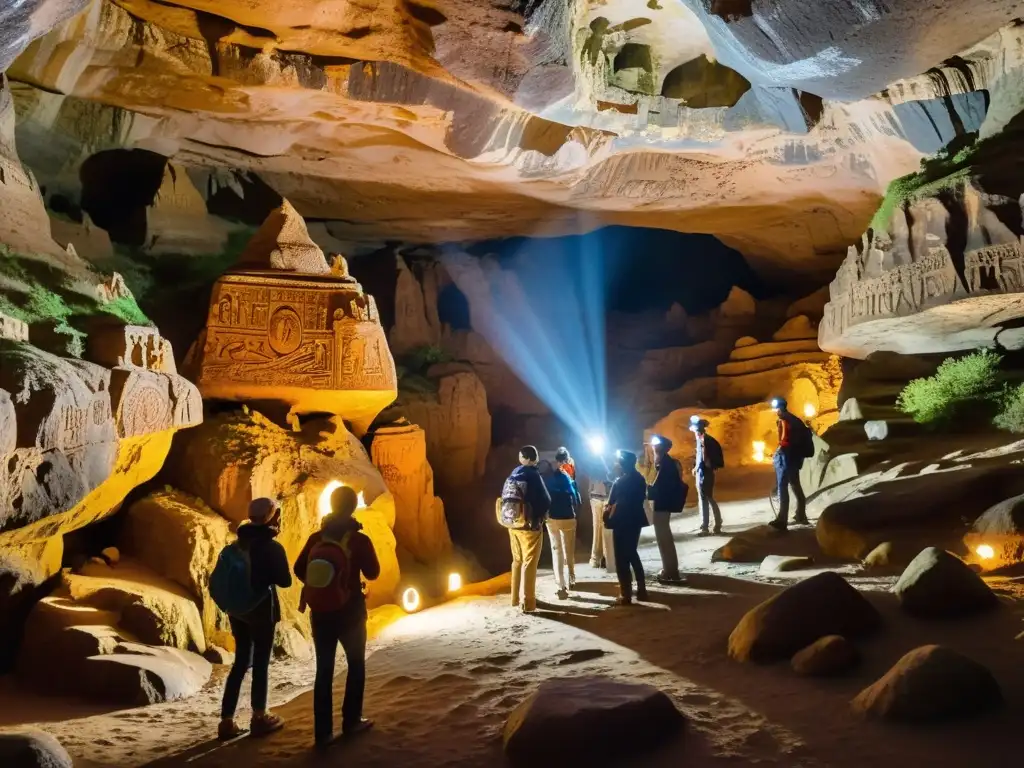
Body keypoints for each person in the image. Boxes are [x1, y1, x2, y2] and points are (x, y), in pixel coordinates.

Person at [294, 485, 380, 748]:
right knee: (355, 665)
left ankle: (323, 733)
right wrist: (347, 582)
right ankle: (352, 721)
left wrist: (323, 584)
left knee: (324, 671)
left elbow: (299, 569)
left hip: (321, 614)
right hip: (351, 612)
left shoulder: (316, 539)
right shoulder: (359, 540)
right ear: (353, 507)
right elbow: (374, 572)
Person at [219, 498, 292, 740]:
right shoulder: (271, 547)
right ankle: (259, 716)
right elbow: (285, 580)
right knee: (260, 662)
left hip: (237, 611)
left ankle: (226, 721)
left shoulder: (236, 546)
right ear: (270, 517)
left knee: (240, 662)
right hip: (261, 609)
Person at [503, 446, 551, 613]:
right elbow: (545, 499)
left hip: (512, 524)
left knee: (517, 561)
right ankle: (528, 602)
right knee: (529, 562)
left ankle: (514, 598)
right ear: (534, 458)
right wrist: (540, 517)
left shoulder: (514, 473)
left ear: (522, 458)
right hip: (529, 525)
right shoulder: (533, 474)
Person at [604, 450, 649, 604]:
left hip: (621, 521)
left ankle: (626, 593)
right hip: (635, 520)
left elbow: (610, 503)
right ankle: (642, 589)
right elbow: (642, 497)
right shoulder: (640, 479)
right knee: (632, 554)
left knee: (621, 558)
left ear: (622, 464)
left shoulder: (619, 482)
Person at [646, 435, 686, 582]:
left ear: (661, 448)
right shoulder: (663, 463)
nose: (653, 447)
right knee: (664, 537)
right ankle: (669, 569)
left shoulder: (665, 464)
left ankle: (670, 571)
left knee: (664, 538)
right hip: (662, 504)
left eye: (655, 445)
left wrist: (646, 489)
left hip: (662, 505)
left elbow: (661, 487)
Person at [544, 453, 582, 599]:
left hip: (553, 518)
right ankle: (572, 577)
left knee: (557, 551)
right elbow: (576, 498)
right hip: (568, 517)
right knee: (569, 549)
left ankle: (560, 585)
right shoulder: (569, 478)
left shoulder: (548, 479)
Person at [769, 397, 809, 531]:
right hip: (795, 458)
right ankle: (801, 515)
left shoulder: (784, 420)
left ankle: (782, 519)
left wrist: (776, 453)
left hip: (786, 458)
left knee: (782, 487)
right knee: (795, 485)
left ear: (779, 409)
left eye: (776, 409)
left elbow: (784, 441)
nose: (775, 411)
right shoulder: (794, 419)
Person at [690, 417, 724, 536]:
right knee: (704, 498)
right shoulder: (701, 440)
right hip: (702, 472)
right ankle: (707, 525)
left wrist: (703, 466)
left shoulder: (705, 440)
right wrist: (696, 467)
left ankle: (714, 524)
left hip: (705, 473)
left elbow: (705, 458)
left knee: (707, 498)